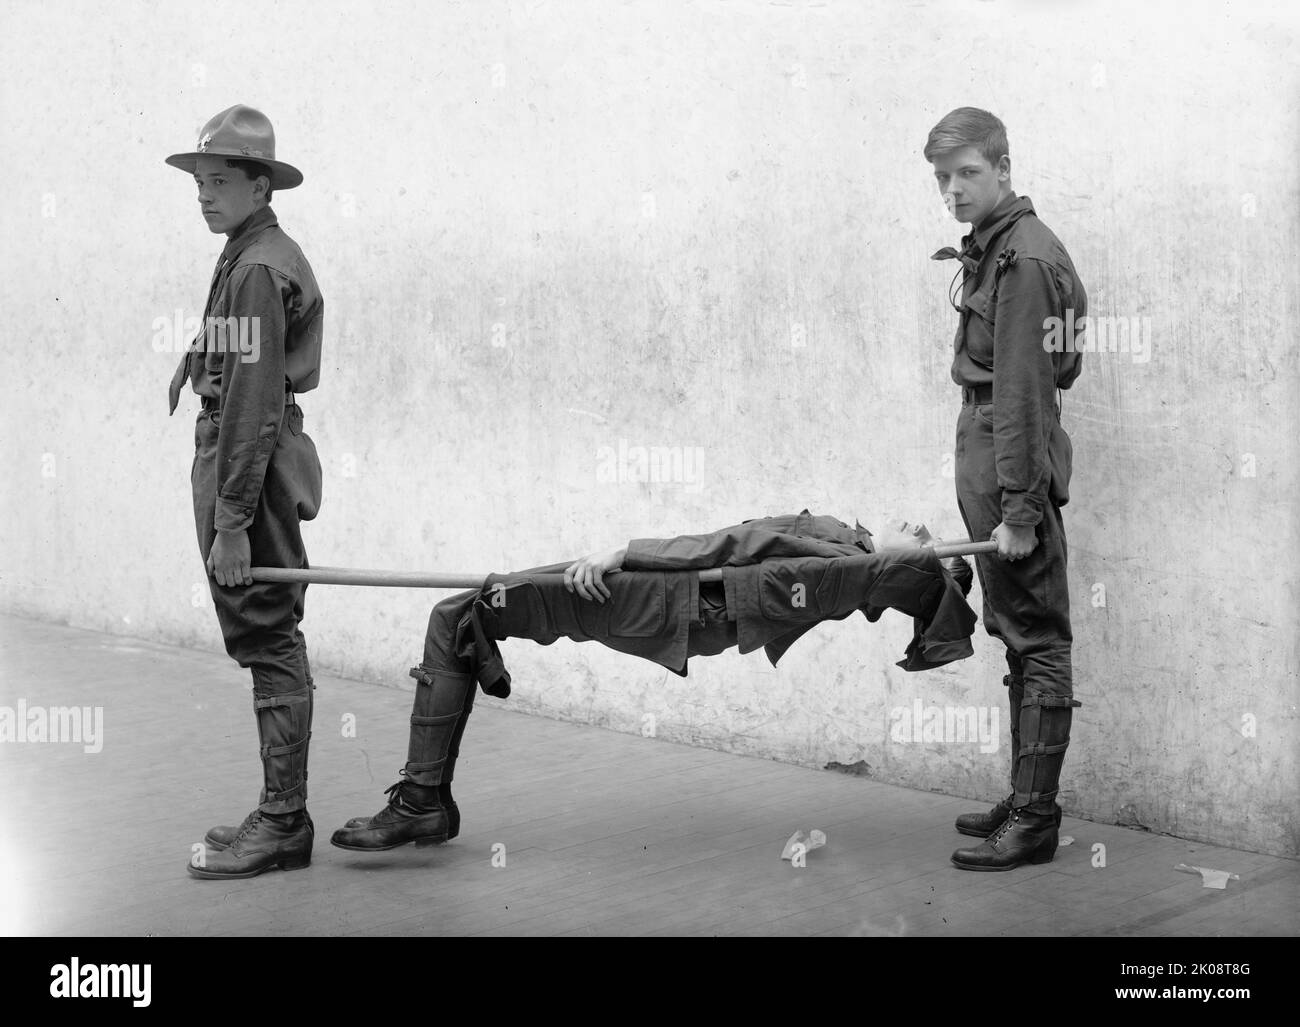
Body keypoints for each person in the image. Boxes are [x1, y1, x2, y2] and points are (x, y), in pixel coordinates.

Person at [329, 512, 976, 852]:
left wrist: (627, 553)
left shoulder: (857, 568)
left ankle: (421, 803)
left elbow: (728, 546)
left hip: (659, 596)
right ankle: (426, 799)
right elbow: (738, 539)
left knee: (463, 612)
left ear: (916, 570)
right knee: (466, 611)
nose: (923, 527)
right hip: (660, 589)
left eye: (931, 541)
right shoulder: (849, 547)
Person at [165, 105, 325, 879]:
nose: (203, 192)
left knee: (269, 633)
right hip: (236, 452)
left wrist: (232, 520)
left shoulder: (259, 266)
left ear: (261, 185)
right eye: (200, 179)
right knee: (262, 634)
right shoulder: (244, 251)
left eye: (220, 179)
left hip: (248, 464)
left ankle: (285, 821)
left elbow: (255, 402)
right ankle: (276, 810)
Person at [924, 107, 1086, 870]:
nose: (953, 191)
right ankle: (1023, 796)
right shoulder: (996, 248)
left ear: (1004, 168)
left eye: (968, 174)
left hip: (1007, 455)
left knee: (1039, 640)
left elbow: (1026, 387)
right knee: (1015, 633)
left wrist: (1021, 507)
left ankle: (1036, 818)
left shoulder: (1023, 258)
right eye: (943, 178)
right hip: (990, 457)